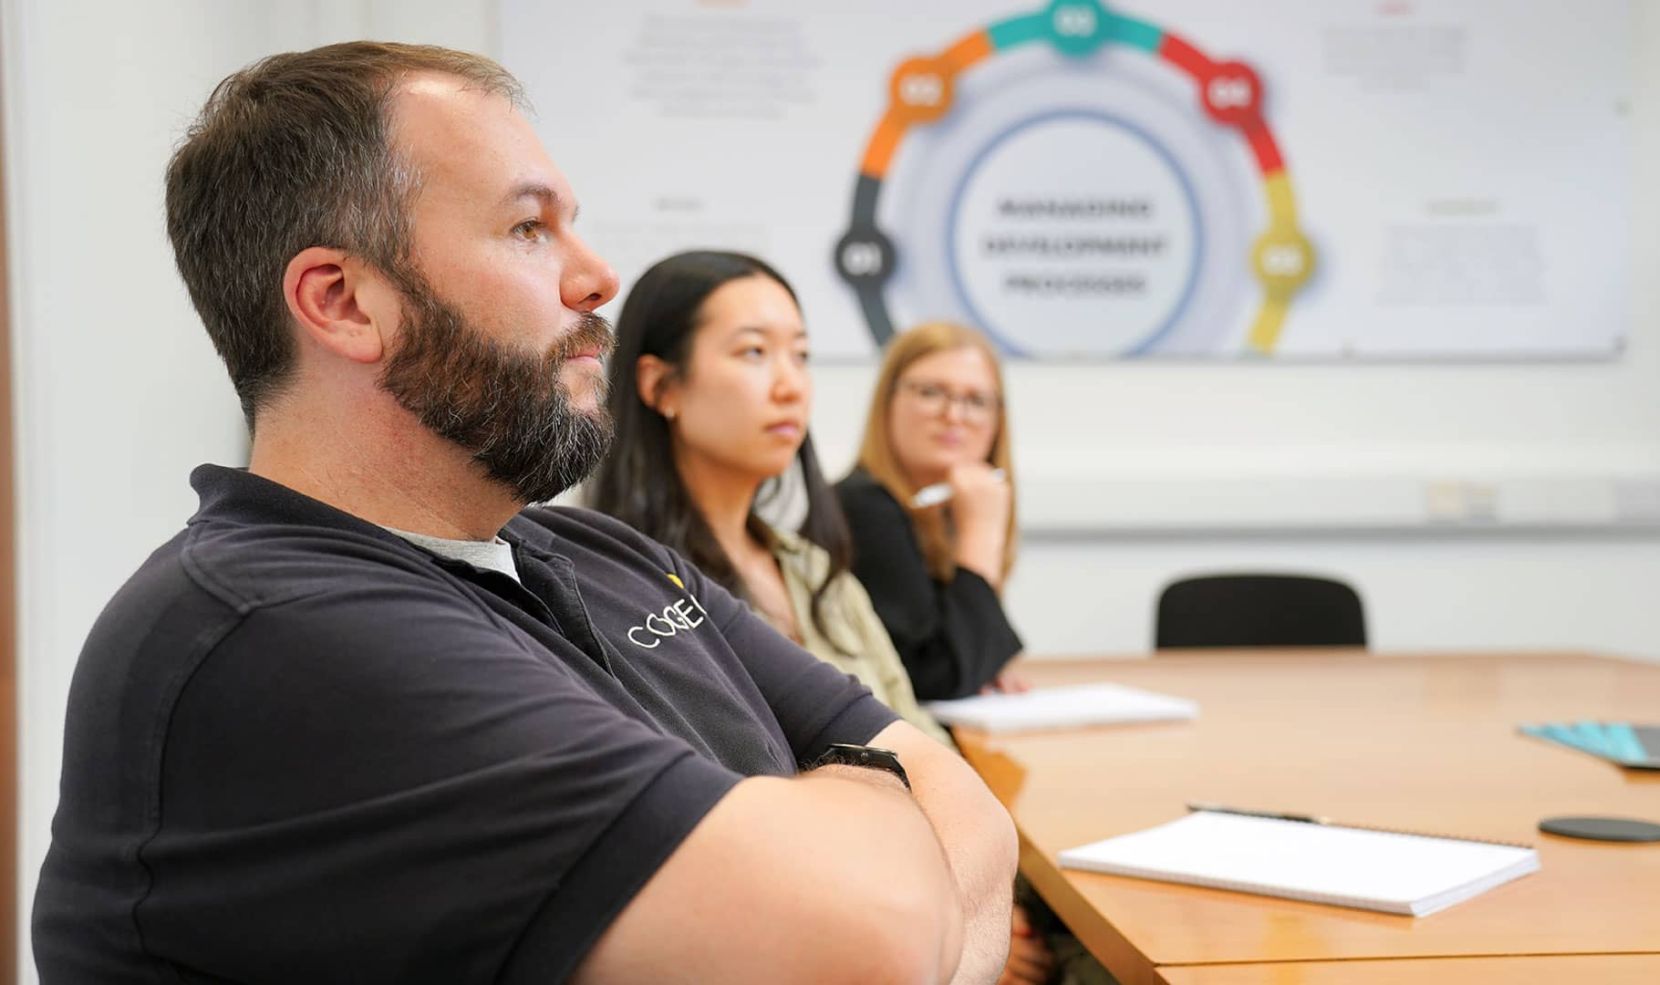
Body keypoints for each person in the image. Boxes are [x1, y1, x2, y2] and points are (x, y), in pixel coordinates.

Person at [31, 43, 1016, 984]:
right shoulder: (272, 628)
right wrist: (881, 799)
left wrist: (862, 852)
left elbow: (967, 815)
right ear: (342, 302)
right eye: (527, 228)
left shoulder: (592, 549)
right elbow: (865, 941)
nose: (596, 277)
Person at [591, 251, 951, 745]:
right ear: (660, 386)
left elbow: (922, 735)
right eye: (754, 352)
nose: (791, 387)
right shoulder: (615, 589)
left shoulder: (816, 572)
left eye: (800, 356)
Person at [837, 322, 1026, 702]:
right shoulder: (864, 506)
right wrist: (981, 536)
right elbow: (936, 679)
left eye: (976, 401)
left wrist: (982, 660)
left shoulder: (944, 510)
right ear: (888, 401)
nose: (954, 415)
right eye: (931, 392)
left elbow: (954, 661)